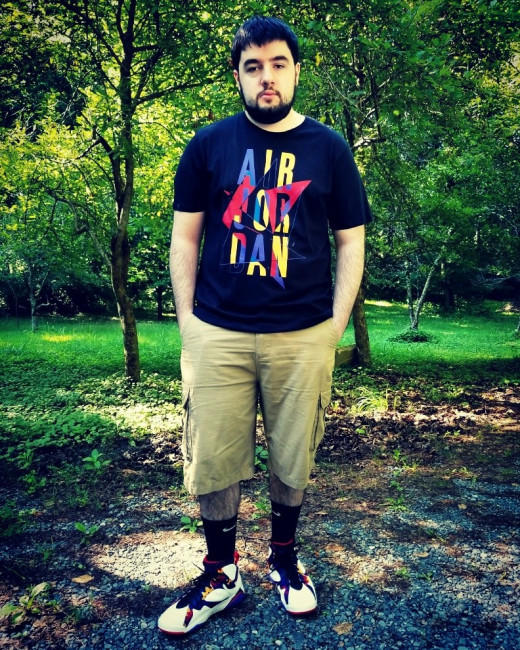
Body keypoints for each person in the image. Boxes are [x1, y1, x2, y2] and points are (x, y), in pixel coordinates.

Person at [158, 15, 372, 636]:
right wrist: (189, 323)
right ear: (238, 76)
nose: (267, 77)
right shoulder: (208, 145)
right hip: (217, 330)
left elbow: (351, 241)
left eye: (278, 64)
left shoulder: (329, 148)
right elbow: (185, 238)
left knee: (291, 453)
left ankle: (284, 561)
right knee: (213, 458)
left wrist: (334, 326)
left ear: (296, 70)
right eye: (253, 67)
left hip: (302, 332)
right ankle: (221, 573)